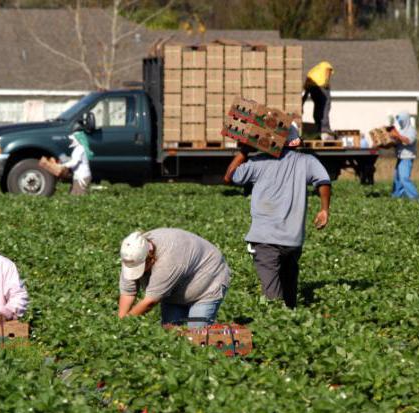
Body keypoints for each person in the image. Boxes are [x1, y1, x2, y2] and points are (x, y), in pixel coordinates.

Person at [224, 124, 331, 308]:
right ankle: (290, 320)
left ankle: (277, 325)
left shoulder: (258, 162)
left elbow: (229, 176)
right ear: (295, 141)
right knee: (289, 294)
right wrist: (324, 209)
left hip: (264, 239)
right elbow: (323, 181)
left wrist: (244, 151)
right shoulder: (307, 161)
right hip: (292, 239)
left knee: (272, 296)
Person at [117, 228, 231, 328]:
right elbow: (128, 292)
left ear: (150, 256)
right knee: (171, 332)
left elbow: (150, 301)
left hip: (207, 283)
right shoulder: (131, 254)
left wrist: (128, 321)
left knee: (197, 335)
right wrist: (121, 322)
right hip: (174, 291)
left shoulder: (168, 260)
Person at [389, 111, 419, 200]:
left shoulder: (411, 130)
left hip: (407, 158)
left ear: (406, 120)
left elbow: (408, 141)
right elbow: (399, 142)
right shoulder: (401, 130)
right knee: (397, 179)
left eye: (401, 121)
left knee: (404, 178)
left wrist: (397, 136)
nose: (400, 122)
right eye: (399, 121)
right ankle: (396, 196)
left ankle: (416, 198)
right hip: (400, 157)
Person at [302, 61, 334, 139]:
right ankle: (324, 129)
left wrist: (302, 103)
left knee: (318, 106)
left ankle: (318, 127)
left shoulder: (312, 71)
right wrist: (326, 83)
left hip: (311, 87)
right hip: (321, 86)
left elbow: (306, 87)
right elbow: (327, 71)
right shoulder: (326, 65)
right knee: (325, 107)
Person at [62, 130, 93, 195]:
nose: (71, 141)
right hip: (80, 176)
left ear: (77, 140)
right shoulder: (79, 148)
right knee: (74, 196)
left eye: (73, 139)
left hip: (82, 177)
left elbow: (74, 162)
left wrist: (63, 165)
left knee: (79, 198)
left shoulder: (79, 149)